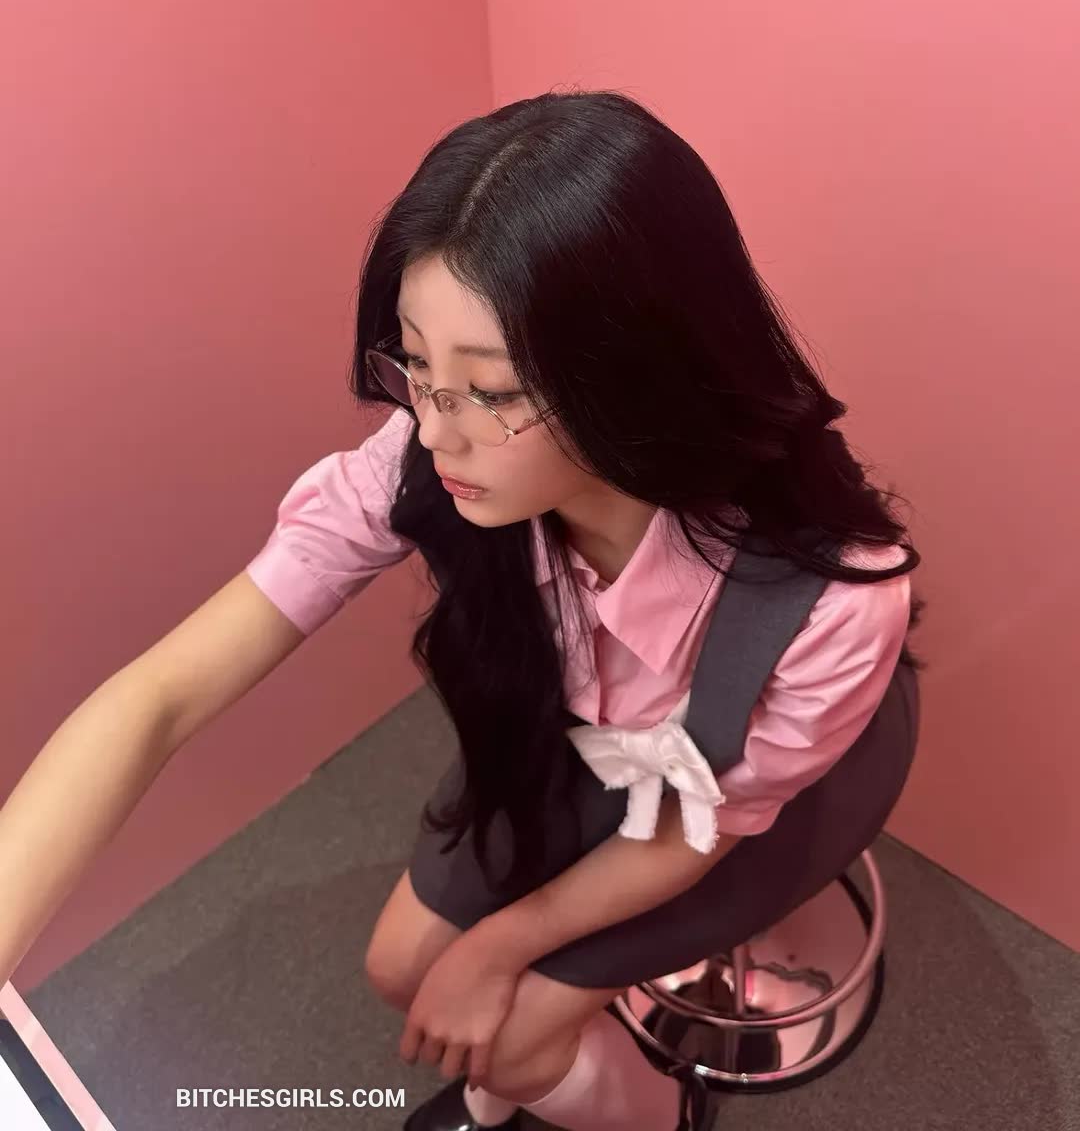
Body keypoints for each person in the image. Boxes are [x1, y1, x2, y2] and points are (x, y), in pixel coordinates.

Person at [0, 89, 926, 1131]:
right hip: (572, 752)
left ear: (637, 373)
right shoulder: (425, 458)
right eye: (416, 366)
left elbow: (697, 828)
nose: (437, 431)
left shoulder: (829, 599)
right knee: (402, 969)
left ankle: (660, 1113)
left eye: (491, 391)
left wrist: (502, 946)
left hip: (742, 803)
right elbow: (160, 700)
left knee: (514, 1033)